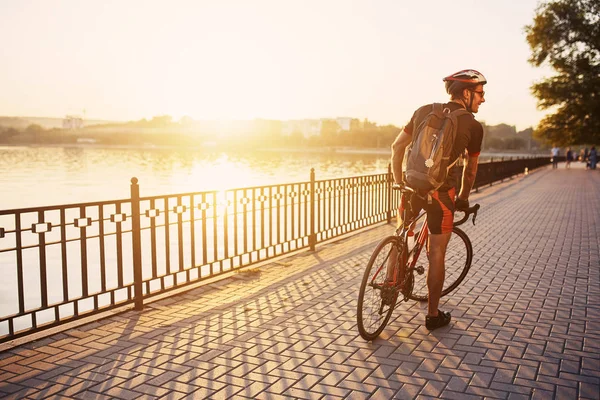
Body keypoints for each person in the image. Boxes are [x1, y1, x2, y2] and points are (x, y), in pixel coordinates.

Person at [390, 69, 486, 331]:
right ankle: (432, 315)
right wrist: (464, 198)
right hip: (442, 195)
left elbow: (397, 148)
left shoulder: (423, 110)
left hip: (411, 187)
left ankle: (389, 285)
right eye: (480, 93)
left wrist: (400, 182)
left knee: (401, 235)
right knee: (437, 254)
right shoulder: (473, 126)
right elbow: (471, 169)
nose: (483, 99)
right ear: (466, 93)